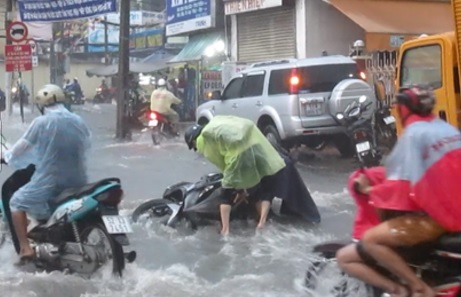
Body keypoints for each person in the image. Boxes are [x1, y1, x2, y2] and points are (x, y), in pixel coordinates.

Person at [336, 85, 461, 297]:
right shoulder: (446, 129)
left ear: (405, 109)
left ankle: (416, 288)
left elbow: (401, 189)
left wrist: (371, 190)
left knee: (371, 240)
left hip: (438, 219)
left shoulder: (413, 134)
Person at [3, 84, 91, 264]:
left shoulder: (41, 122)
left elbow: (22, 146)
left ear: (41, 104)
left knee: (16, 202)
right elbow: (87, 144)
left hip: (51, 179)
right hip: (79, 179)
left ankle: (25, 248)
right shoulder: (78, 120)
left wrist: (7, 155)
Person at [184, 115, 286, 235]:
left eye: (194, 146)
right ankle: (262, 223)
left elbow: (223, 164)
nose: (197, 149)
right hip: (251, 148)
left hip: (236, 156)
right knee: (258, 191)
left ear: (194, 140)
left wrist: (230, 183)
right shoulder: (215, 124)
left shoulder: (204, 140)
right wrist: (241, 190)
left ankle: (225, 230)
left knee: (224, 195)